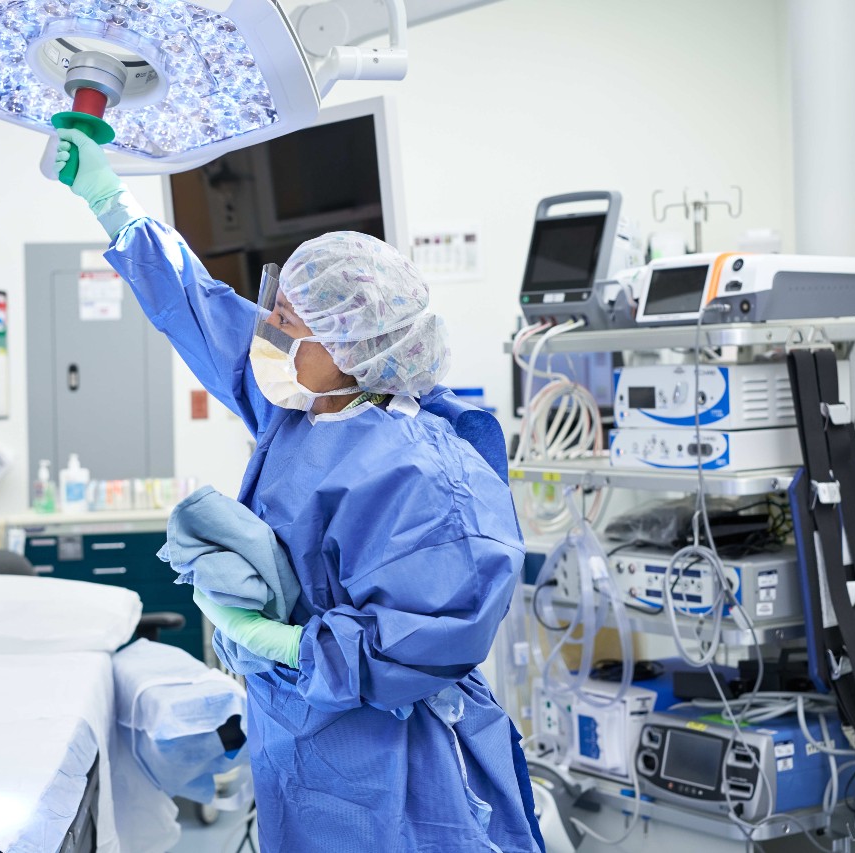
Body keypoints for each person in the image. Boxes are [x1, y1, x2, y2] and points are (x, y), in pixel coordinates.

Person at [54, 128, 544, 853]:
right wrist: (111, 200)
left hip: (400, 775)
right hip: (302, 741)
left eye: (286, 322)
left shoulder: (428, 479)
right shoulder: (303, 408)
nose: (268, 335)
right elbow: (203, 310)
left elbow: (422, 644)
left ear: (351, 346)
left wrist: (279, 639)